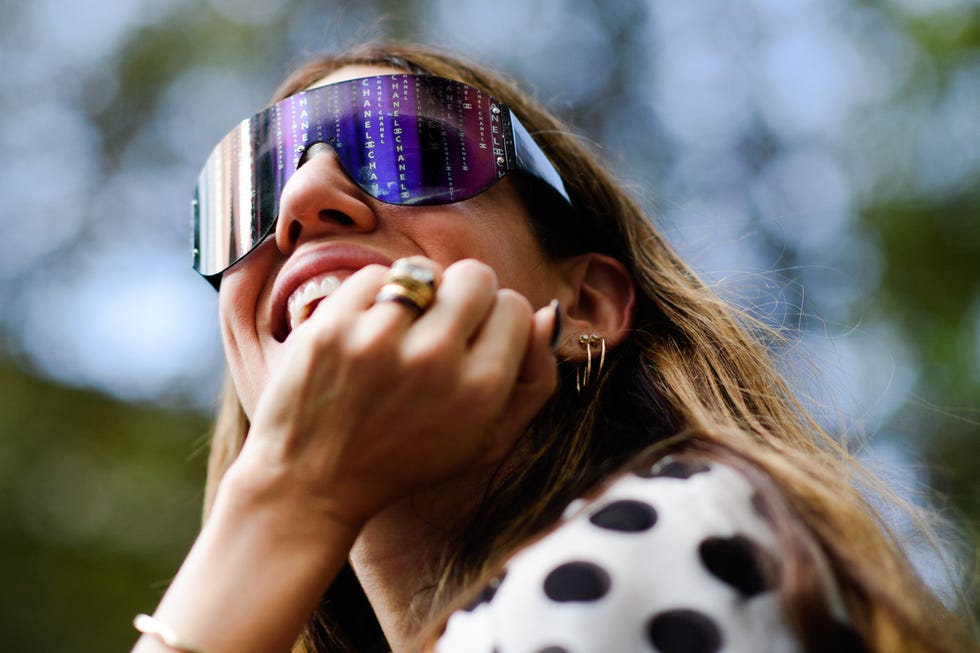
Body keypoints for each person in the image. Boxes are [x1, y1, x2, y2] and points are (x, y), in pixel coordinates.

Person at [131, 42, 975, 653]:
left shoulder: (675, 537)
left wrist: (289, 495)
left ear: (587, 304)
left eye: (410, 146)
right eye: (249, 191)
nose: (307, 198)